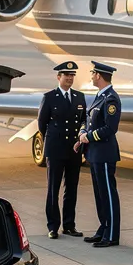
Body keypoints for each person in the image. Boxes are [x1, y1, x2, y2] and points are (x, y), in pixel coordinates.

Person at [37, 61, 87, 239]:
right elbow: (42, 124)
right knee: (53, 189)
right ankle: (53, 226)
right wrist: (53, 140)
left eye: (72, 75)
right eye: (66, 75)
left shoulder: (80, 97)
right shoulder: (50, 97)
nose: (70, 78)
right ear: (59, 77)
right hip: (56, 149)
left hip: (74, 150)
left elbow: (83, 120)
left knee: (71, 189)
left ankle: (69, 225)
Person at [77, 61, 122, 248]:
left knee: (108, 194)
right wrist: (81, 134)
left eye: (92, 73)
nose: (91, 75)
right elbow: (88, 120)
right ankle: (103, 228)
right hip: (95, 153)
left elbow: (110, 128)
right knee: (99, 194)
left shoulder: (111, 99)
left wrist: (88, 136)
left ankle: (111, 235)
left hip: (104, 153)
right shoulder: (100, 96)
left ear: (98, 75)